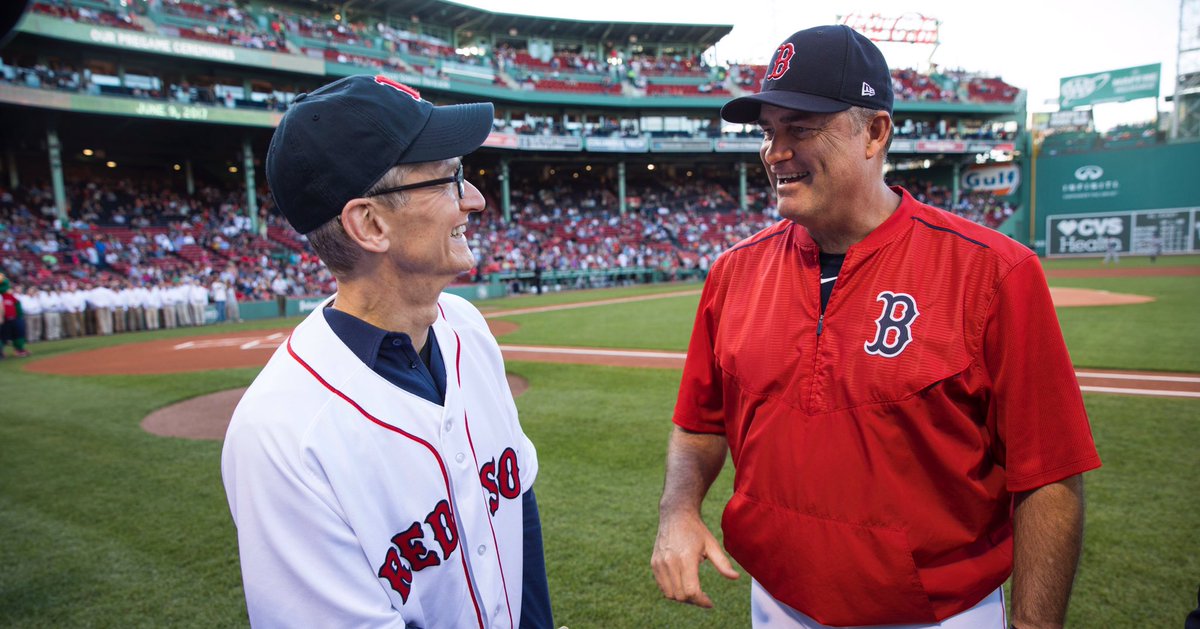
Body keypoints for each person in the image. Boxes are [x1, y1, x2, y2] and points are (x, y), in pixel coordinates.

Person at [650, 26, 1101, 629]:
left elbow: (1049, 475)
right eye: (768, 131)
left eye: (799, 128)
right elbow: (699, 423)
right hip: (776, 603)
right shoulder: (733, 272)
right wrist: (678, 510)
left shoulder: (993, 271)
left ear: (875, 132)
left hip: (939, 614)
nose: (775, 152)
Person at [221, 74, 552, 628]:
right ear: (370, 224)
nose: (475, 199)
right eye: (450, 178)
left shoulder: (467, 327)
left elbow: (517, 506)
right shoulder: (282, 434)